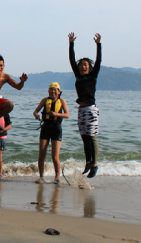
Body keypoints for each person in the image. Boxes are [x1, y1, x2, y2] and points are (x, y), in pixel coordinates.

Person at [69, 32, 102, 178]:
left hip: (90, 109)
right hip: (81, 110)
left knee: (91, 136)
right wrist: (71, 44)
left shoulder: (92, 77)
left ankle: (94, 165)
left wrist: (98, 44)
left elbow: (99, 61)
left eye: (85, 65)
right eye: (81, 65)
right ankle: (88, 161)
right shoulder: (78, 76)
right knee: (84, 136)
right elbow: (71, 60)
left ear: (89, 67)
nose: (83, 67)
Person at [33, 82, 69, 184]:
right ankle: (41, 177)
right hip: (45, 128)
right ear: (48, 91)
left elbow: (67, 115)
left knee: (55, 156)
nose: (53, 91)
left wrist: (56, 114)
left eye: (55, 89)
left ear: (59, 92)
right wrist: (36, 115)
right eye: (51, 89)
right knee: (42, 155)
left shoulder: (62, 101)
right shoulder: (45, 100)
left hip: (56, 129)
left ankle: (57, 176)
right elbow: (35, 111)